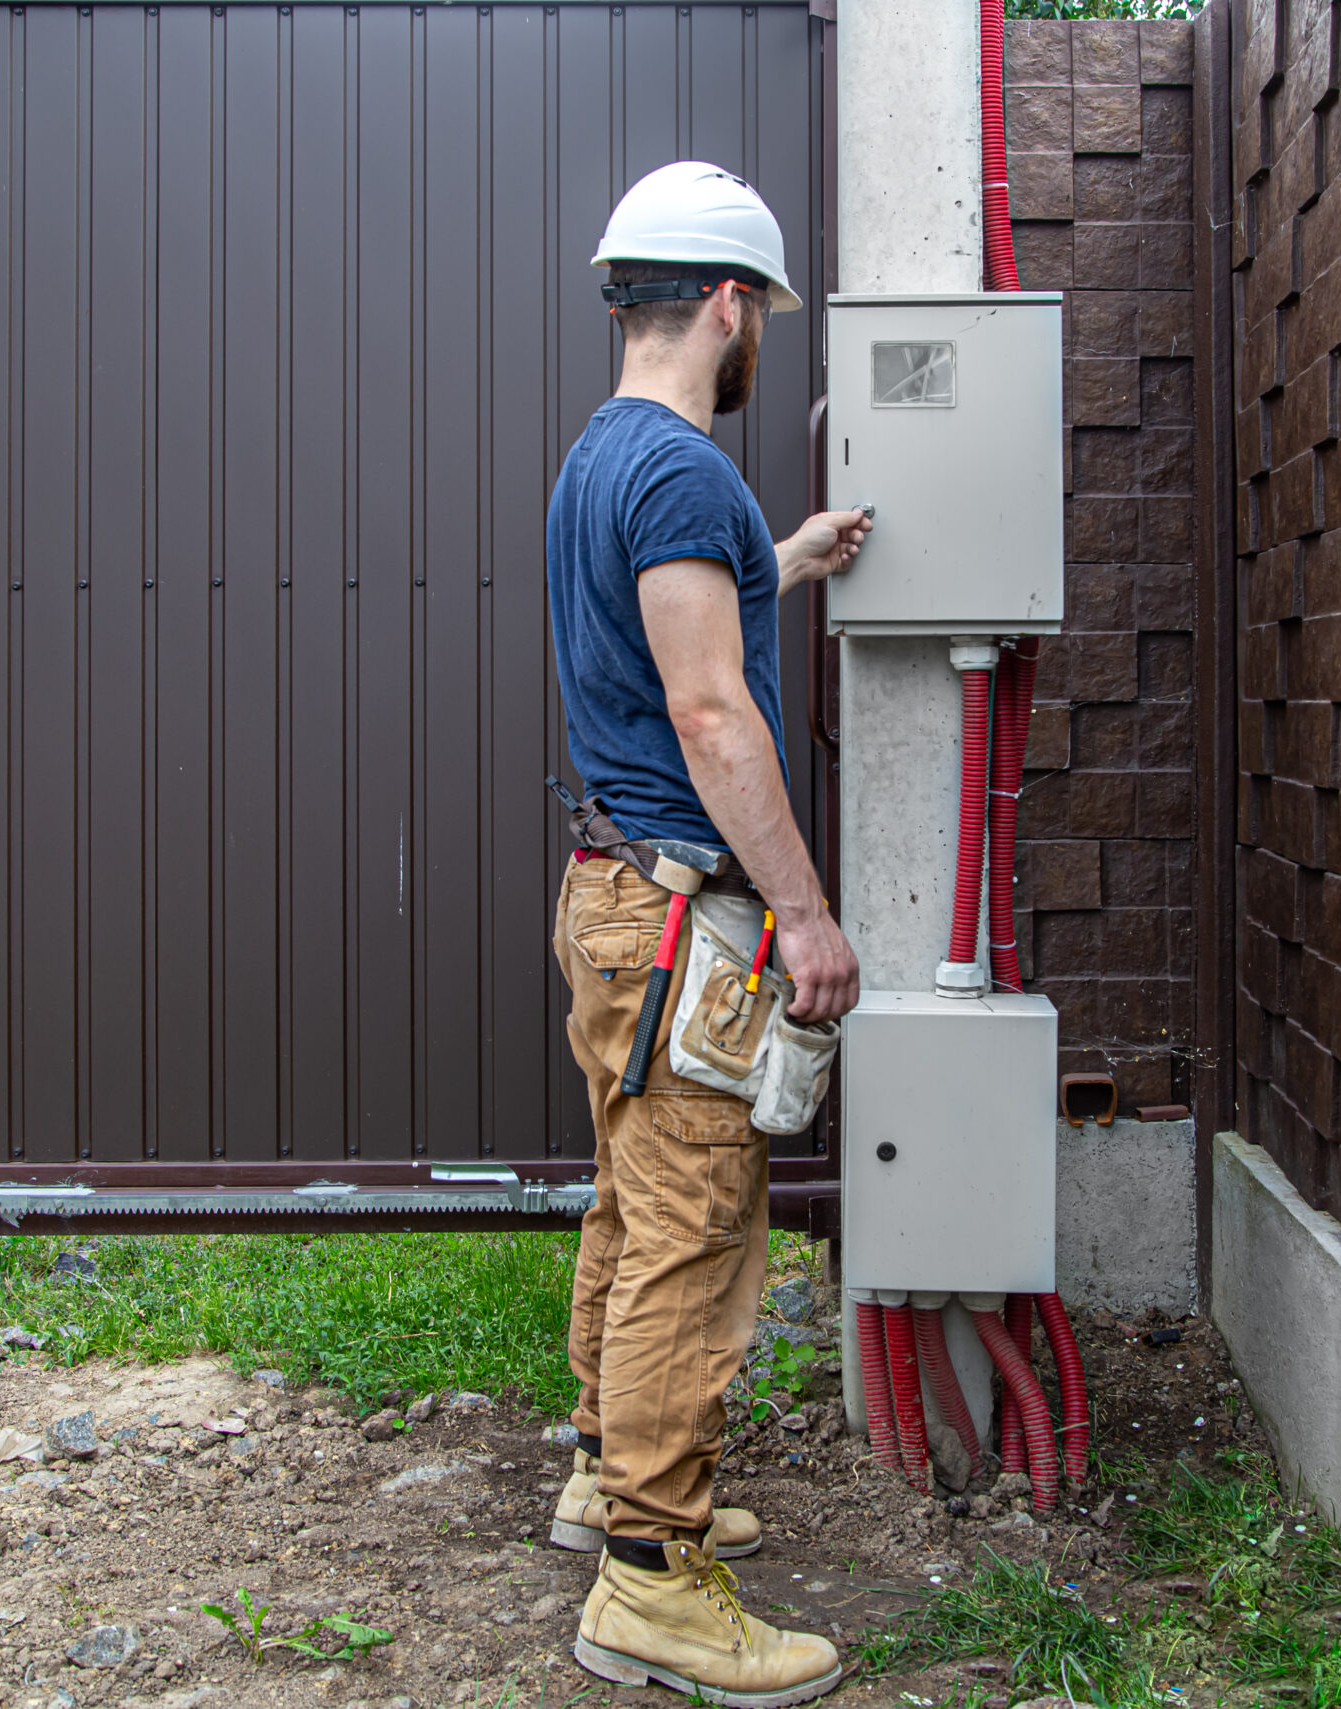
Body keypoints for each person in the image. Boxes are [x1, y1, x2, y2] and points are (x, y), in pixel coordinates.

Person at [543, 161, 873, 1707]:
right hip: (682, 912)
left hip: (613, 899)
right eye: (763, 319)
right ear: (730, 303)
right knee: (693, 1225)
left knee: (634, 1193)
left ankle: (609, 1473)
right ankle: (655, 1583)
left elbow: (684, 626)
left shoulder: (604, 462)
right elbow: (705, 702)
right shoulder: (679, 472)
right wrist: (801, 909)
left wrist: (788, 558)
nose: (763, 347)